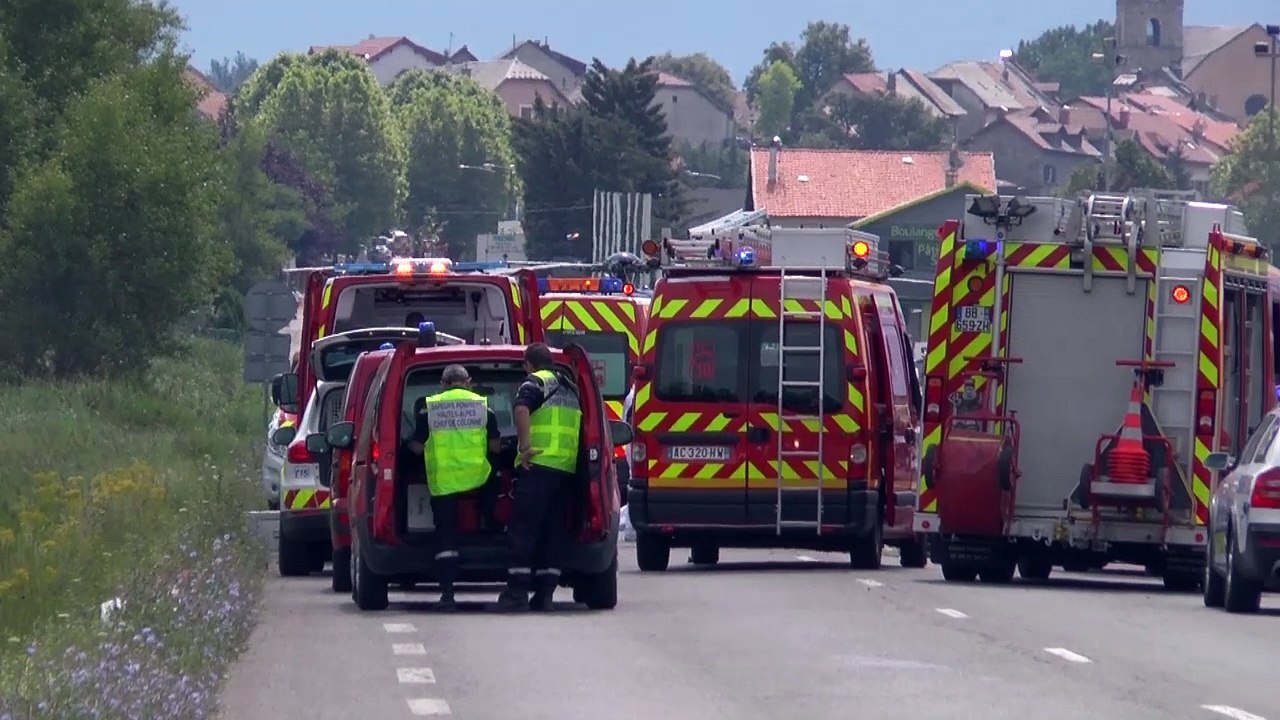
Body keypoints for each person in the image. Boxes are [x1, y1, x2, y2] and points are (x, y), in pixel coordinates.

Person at [491, 343, 581, 612]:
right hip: (564, 467)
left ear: (529, 364)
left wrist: (524, 446)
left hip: (538, 464)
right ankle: (545, 594)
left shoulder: (536, 381)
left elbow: (520, 409)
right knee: (553, 531)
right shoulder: (570, 387)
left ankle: (517, 593)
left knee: (523, 529)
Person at [408, 364, 501, 611]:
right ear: (468, 382)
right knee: (496, 485)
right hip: (478, 479)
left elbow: (417, 448)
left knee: (446, 535)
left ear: (443, 383)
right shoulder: (485, 408)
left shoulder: (428, 410)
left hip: (444, 482)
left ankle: (448, 593)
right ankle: (488, 522)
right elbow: (495, 449)